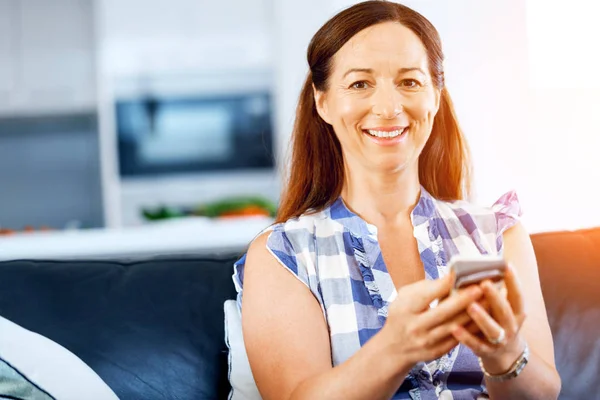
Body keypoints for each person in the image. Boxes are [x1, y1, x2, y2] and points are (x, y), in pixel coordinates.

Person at [232, 1, 561, 399]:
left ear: (436, 96)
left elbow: (545, 394)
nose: (389, 108)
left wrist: (504, 353)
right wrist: (396, 349)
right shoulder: (283, 255)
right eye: (359, 84)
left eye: (409, 82)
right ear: (324, 102)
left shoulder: (497, 235)